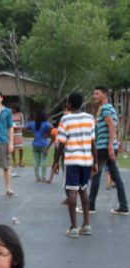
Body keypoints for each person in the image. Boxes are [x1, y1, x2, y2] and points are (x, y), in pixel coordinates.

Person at [79, 85, 129, 215]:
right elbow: (113, 128)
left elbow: (112, 128)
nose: (94, 96)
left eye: (97, 94)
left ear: (104, 95)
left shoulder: (106, 108)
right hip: (107, 146)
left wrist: (111, 146)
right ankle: (123, 206)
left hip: (104, 148)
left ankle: (90, 205)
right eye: (94, 94)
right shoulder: (108, 108)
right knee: (116, 177)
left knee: (95, 174)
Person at [52, 92, 97, 238]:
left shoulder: (65, 119)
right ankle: (87, 225)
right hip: (86, 160)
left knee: (72, 192)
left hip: (72, 161)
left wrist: (55, 162)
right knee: (83, 190)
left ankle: (73, 227)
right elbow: (92, 142)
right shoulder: (90, 118)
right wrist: (95, 161)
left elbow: (61, 144)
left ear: (69, 104)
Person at [24, 111, 52, 183]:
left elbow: (24, 128)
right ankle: (43, 177)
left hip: (35, 144)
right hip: (43, 144)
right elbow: (52, 127)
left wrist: (31, 133)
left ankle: (37, 178)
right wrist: (47, 133)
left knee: (36, 161)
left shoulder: (33, 124)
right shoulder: (46, 124)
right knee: (44, 160)